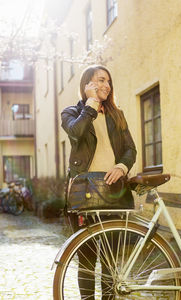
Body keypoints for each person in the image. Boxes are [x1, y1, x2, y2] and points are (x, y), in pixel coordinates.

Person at [61, 65, 137, 299]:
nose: (106, 85)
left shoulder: (117, 114)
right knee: (86, 259)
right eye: (100, 80)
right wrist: (91, 104)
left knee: (111, 260)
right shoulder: (71, 112)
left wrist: (121, 166)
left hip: (114, 191)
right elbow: (76, 133)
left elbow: (130, 149)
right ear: (87, 84)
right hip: (84, 194)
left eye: (108, 81)